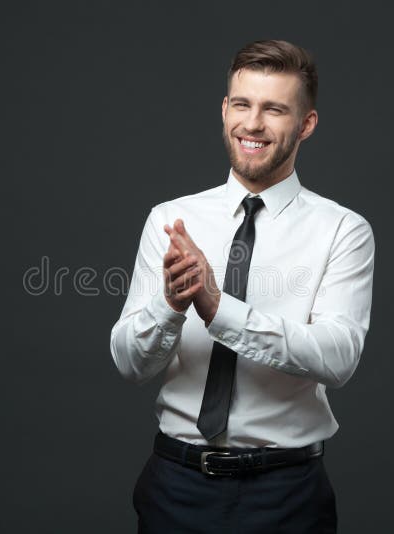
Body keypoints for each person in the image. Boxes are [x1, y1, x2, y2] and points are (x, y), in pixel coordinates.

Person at [109, 39, 375, 534]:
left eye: (274, 109)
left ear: (306, 124)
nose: (252, 124)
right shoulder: (169, 220)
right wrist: (169, 306)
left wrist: (216, 307)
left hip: (287, 496)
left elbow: (338, 358)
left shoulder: (343, 230)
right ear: (225, 109)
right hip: (175, 487)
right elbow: (129, 363)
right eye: (242, 104)